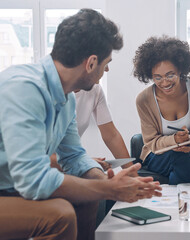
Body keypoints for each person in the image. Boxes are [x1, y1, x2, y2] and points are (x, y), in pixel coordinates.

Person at [0, 9, 161, 240]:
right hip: (9, 191)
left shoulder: (66, 100)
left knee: (88, 197)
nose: (105, 71)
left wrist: (107, 181)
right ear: (91, 62)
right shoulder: (25, 89)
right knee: (60, 215)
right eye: (106, 64)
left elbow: (74, 156)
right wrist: (108, 188)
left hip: (13, 189)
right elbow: (33, 180)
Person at [133, 36, 190, 185]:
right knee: (182, 157)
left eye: (170, 75)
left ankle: (174, 206)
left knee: (186, 157)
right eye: (157, 77)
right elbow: (151, 142)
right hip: (158, 156)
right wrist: (175, 141)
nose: (165, 83)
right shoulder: (144, 100)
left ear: (180, 69)